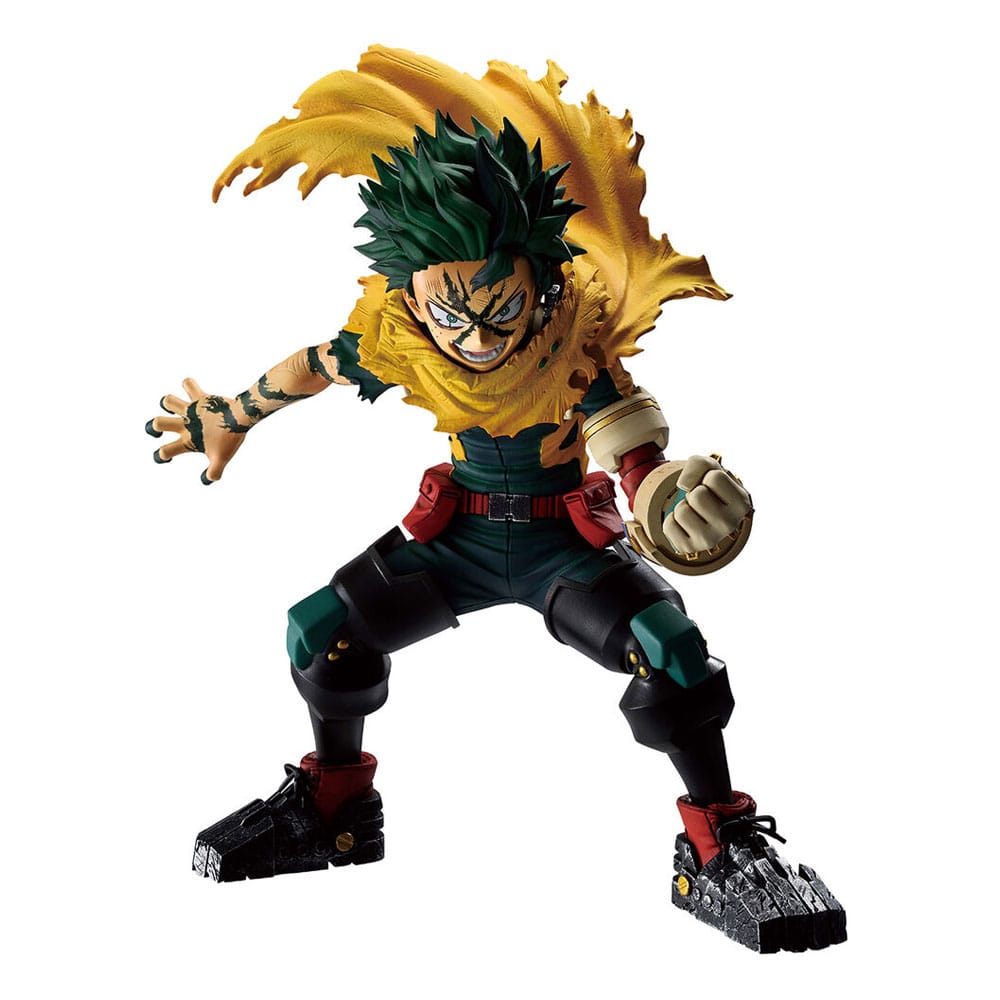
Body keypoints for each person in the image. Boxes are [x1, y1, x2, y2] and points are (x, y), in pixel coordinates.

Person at [147, 47, 844, 952]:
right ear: (413, 295)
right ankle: (334, 809)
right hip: (458, 541)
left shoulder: (573, 338)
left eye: (498, 308)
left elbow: (628, 442)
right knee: (320, 632)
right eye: (451, 314)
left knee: (671, 652)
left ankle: (720, 845)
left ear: (539, 279)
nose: (476, 337)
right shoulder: (397, 336)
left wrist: (662, 496)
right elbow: (311, 368)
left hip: (563, 548)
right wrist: (229, 415)